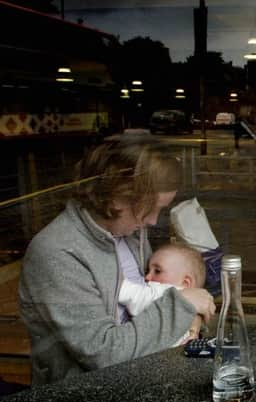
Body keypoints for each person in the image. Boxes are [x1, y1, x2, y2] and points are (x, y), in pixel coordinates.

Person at [19, 135, 216, 385]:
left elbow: (155, 297)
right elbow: (104, 354)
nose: (153, 221)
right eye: (151, 207)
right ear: (116, 193)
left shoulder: (129, 231)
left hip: (145, 376)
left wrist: (191, 319)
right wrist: (181, 306)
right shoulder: (56, 252)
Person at [119, 242, 207, 346]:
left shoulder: (165, 292)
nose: (147, 277)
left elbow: (133, 294)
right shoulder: (193, 311)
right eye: (148, 270)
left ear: (185, 283)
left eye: (157, 271)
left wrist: (116, 282)